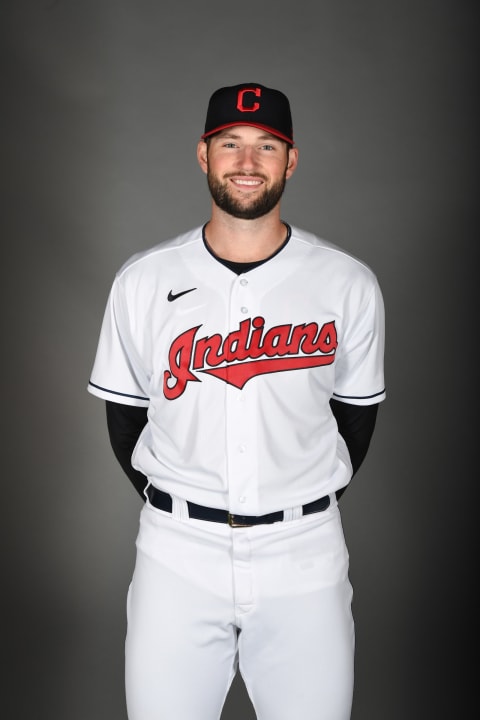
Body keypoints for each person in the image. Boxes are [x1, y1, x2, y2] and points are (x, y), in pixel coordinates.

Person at [88, 82, 385, 720]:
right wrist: (177, 502)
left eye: (266, 146)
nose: (247, 162)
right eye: (230, 144)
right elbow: (124, 420)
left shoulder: (347, 283)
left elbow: (357, 420)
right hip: (176, 555)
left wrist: (296, 497)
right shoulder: (144, 280)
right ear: (203, 155)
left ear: (291, 160)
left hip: (305, 554)